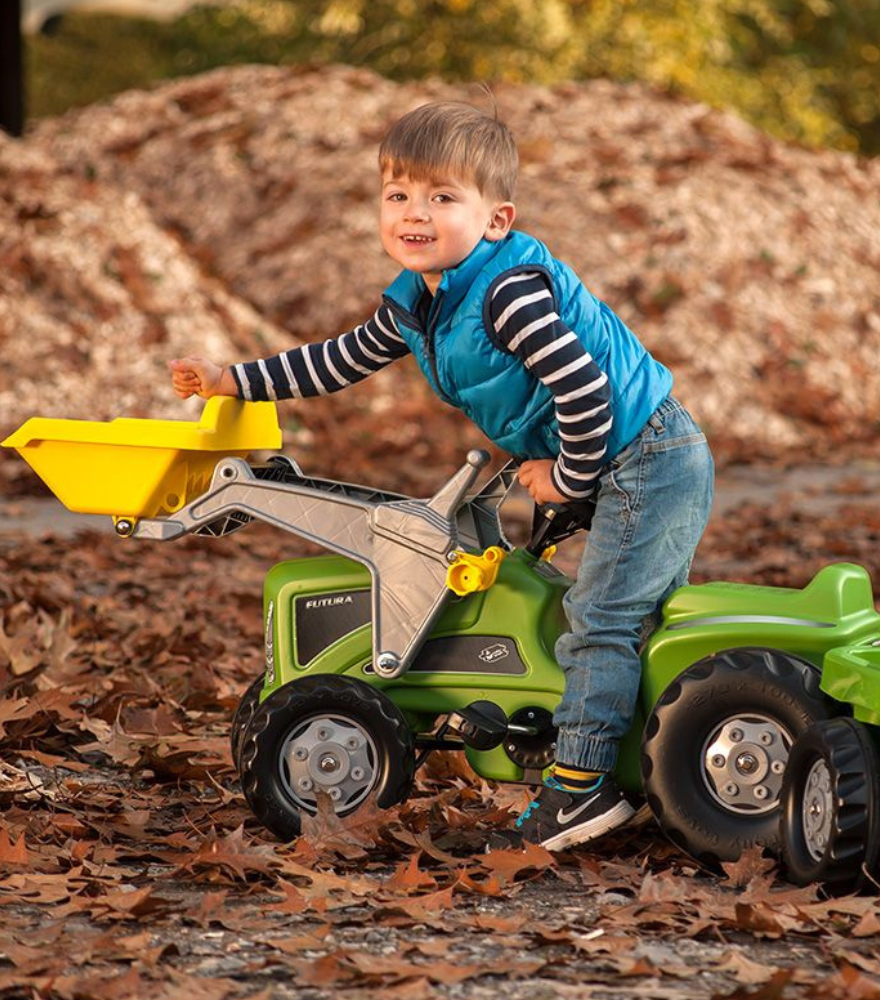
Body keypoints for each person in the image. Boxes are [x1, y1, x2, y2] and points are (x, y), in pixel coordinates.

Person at [169, 100, 714, 851]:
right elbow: (337, 359)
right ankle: (644, 766)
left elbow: (585, 390)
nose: (413, 213)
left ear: (495, 220)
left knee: (606, 622)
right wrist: (235, 379)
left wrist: (567, 474)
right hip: (618, 455)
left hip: (645, 456)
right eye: (398, 196)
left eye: (441, 197)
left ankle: (581, 790)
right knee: (618, 616)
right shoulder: (421, 301)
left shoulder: (507, 294)